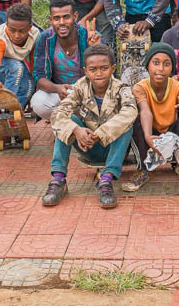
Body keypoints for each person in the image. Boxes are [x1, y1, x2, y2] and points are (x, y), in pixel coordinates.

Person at [42, 45, 138, 209]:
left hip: (113, 150)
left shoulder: (122, 89)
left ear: (113, 68)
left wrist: (101, 133)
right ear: (86, 70)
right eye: (93, 69)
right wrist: (76, 130)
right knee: (67, 120)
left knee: (126, 123)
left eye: (104, 68)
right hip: (87, 146)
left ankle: (106, 181)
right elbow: (57, 114)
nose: (99, 73)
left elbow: (130, 112)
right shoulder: (80, 87)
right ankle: (58, 179)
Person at [122, 43, 179, 192]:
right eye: (156, 63)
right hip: (150, 131)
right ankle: (143, 170)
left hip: (171, 132)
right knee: (135, 121)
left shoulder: (176, 86)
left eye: (166, 64)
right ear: (148, 66)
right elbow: (145, 111)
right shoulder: (140, 87)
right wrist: (149, 135)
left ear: (172, 68)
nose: (161, 69)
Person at [29, 0, 92, 120]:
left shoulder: (88, 36)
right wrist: (58, 88)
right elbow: (39, 76)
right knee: (39, 102)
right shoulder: (45, 38)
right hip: (60, 91)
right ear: (50, 20)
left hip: (87, 92)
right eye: (57, 18)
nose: (61, 22)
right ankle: (65, 126)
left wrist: (96, 47)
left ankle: (73, 124)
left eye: (66, 17)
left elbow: (106, 72)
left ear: (75, 16)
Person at [0, 1, 40, 111]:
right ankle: (3, 107)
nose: (16, 35)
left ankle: (16, 110)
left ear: (30, 27)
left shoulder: (36, 34)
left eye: (21, 31)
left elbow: (33, 58)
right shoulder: (1, 38)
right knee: (17, 68)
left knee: (29, 85)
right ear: (7, 25)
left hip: (15, 58)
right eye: (12, 30)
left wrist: (34, 76)